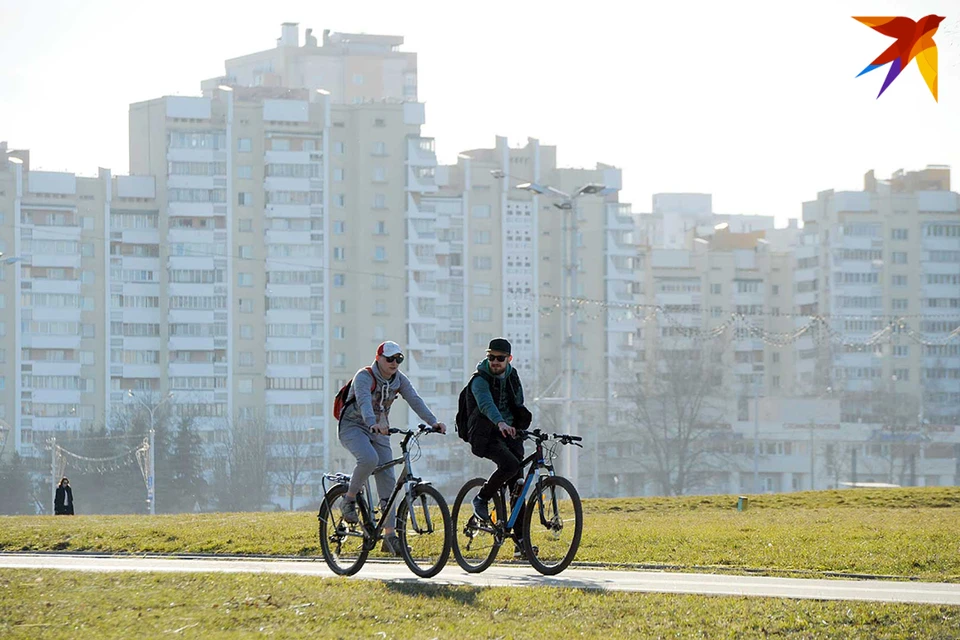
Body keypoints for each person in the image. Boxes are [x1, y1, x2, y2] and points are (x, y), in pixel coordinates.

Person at [337, 341, 447, 555]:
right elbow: (363, 402)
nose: (394, 363)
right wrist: (371, 423)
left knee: (388, 477)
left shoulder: (399, 380)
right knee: (369, 459)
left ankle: (389, 536)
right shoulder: (364, 376)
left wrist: (433, 422)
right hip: (354, 427)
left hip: (381, 430)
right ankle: (348, 500)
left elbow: (414, 399)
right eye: (390, 359)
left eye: (399, 359)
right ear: (378, 358)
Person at [461, 337, 533, 558]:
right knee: (510, 465)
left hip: (509, 432)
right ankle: (481, 498)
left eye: (500, 358)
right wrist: (500, 422)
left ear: (509, 359)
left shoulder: (512, 376)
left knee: (518, 487)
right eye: (491, 357)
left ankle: (521, 543)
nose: (494, 362)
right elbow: (486, 404)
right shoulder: (479, 380)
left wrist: (516, 427)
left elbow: (518, 402)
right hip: (485, 434)